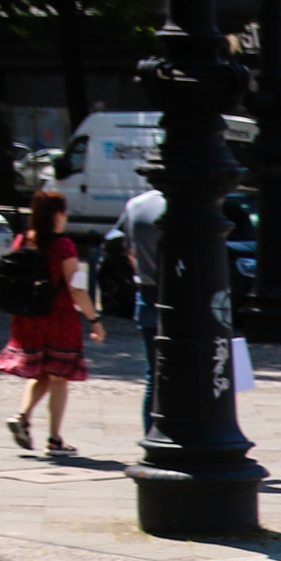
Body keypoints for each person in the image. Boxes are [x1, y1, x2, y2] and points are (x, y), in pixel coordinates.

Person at [0, 188, 103, 456]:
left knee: (41, 371)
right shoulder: (63, 246)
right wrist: (94, 319)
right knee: (59, 377)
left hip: (28, 317)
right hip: (58, 317)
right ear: (57, 215)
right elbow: (76, 288)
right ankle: (55, 440)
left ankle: (22, 417)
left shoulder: (24, 240)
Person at [111, 164, 166, 432]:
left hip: (147, 294)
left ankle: (151, 434)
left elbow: (124, 247)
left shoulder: (135, 205)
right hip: (185, 296)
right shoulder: (186, 203)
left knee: (154, 375)